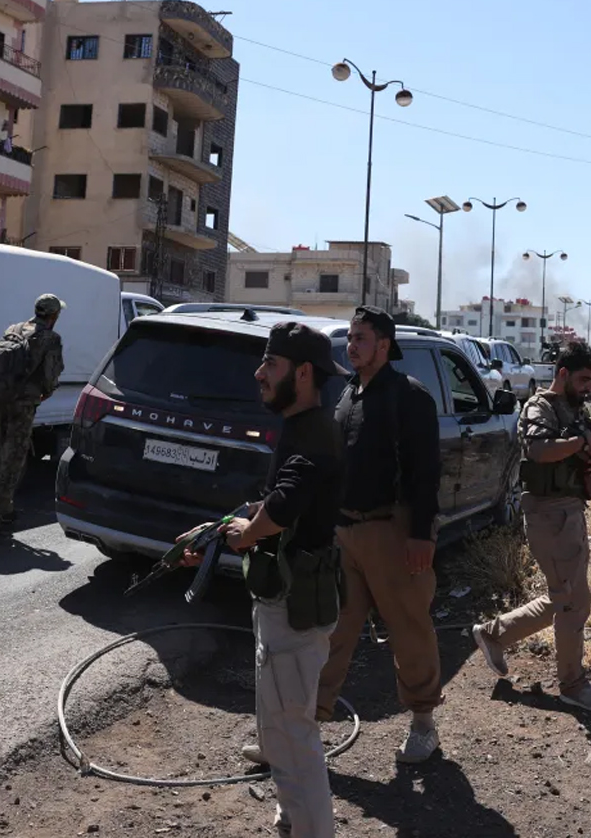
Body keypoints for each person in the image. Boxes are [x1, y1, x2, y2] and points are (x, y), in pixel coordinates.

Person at [189, 322, 345, 838]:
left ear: (302, 373)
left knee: (293, 730)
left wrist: (248, 533)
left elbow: (287, 502)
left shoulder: (315, 432)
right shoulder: (301, 426)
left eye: (271, 364)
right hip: (282, 597)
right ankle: (293, 814)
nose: (259, 373)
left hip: (297, 604)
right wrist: (232, 524)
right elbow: (282, 498)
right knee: (277, 723)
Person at [316, 306, 445, 764]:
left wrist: (420, 535)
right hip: (344, 533)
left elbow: (426, 471)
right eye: (350, 338)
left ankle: (423, 724)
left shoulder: (409, 396)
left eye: (361, 339)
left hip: (393, 532)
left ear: (384, 345)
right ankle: (303, 727)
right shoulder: (348, 393)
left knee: (409, 630)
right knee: (329, 632)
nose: (352, 346)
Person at [472, 341, 591, 711]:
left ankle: (495, 634)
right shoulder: (540, 407)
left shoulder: (577, 410)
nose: (589, 387)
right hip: (549, 515)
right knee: (572, 601)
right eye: (583, 380)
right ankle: (572, 683)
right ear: (563, 373)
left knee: (567, 596)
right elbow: (539, 450)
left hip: (570, 511)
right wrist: (579, 442)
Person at [0, 295, 65, 544]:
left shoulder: (14, 329)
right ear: (54, 316)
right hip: (22, 404)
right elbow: (50, 375)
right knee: (13, 460)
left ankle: (5, 509)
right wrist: (45, 392)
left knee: (2, 454)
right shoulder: (50, 338)